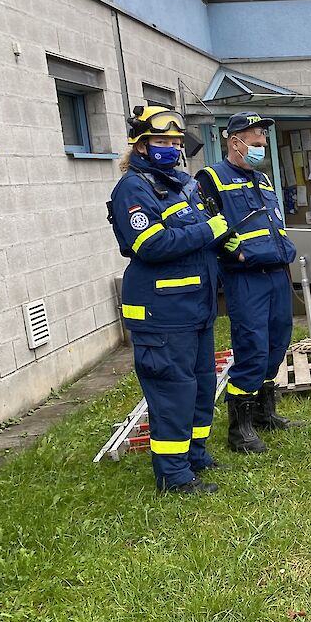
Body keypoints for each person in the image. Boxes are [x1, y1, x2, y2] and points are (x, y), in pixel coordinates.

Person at [108, 105, 228, 494]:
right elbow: (150, 243)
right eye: (161, 141)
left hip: (194, 308)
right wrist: (209, 230)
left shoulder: (178, 183)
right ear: (141, 146)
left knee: (200, 385)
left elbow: (197, 234)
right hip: (163, 312)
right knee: (172, 392)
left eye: (176, 142)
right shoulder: (133, 188)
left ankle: (194, 456)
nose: (171, 148)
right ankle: (173, 476)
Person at [194, 111, 301, 455]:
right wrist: (236, 253)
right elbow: (207, 222)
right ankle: (239, 430)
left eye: (263, 137)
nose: (261, 142)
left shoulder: (265, 180)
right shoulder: (211, 177)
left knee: (278, 340)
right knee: (252, 345)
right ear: (233, 139)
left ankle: (263, 413)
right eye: (254, 137)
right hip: (246, 278)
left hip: (277, 273)